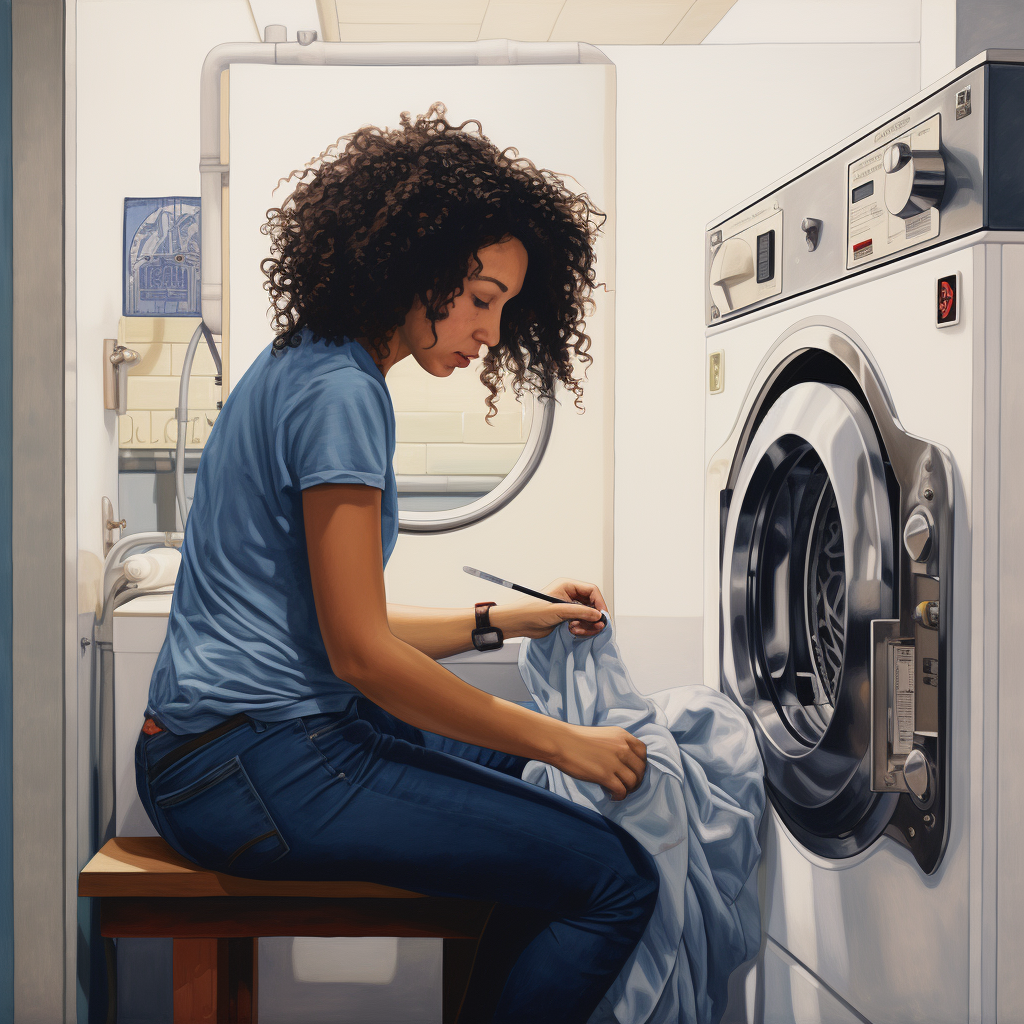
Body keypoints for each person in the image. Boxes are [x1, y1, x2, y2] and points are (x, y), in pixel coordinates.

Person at [136, 104, 659, 1024]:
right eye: (484, 298)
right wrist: (565, 738)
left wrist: (512, 618)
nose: (493, 333)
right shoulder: (342, 392)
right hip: (250, 763)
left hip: (232, 749)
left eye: (505, 308)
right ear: (417, 263)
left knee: (529, 792)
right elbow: (363, 659)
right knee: (615, 879)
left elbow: (348, 632)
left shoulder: (314, 363)